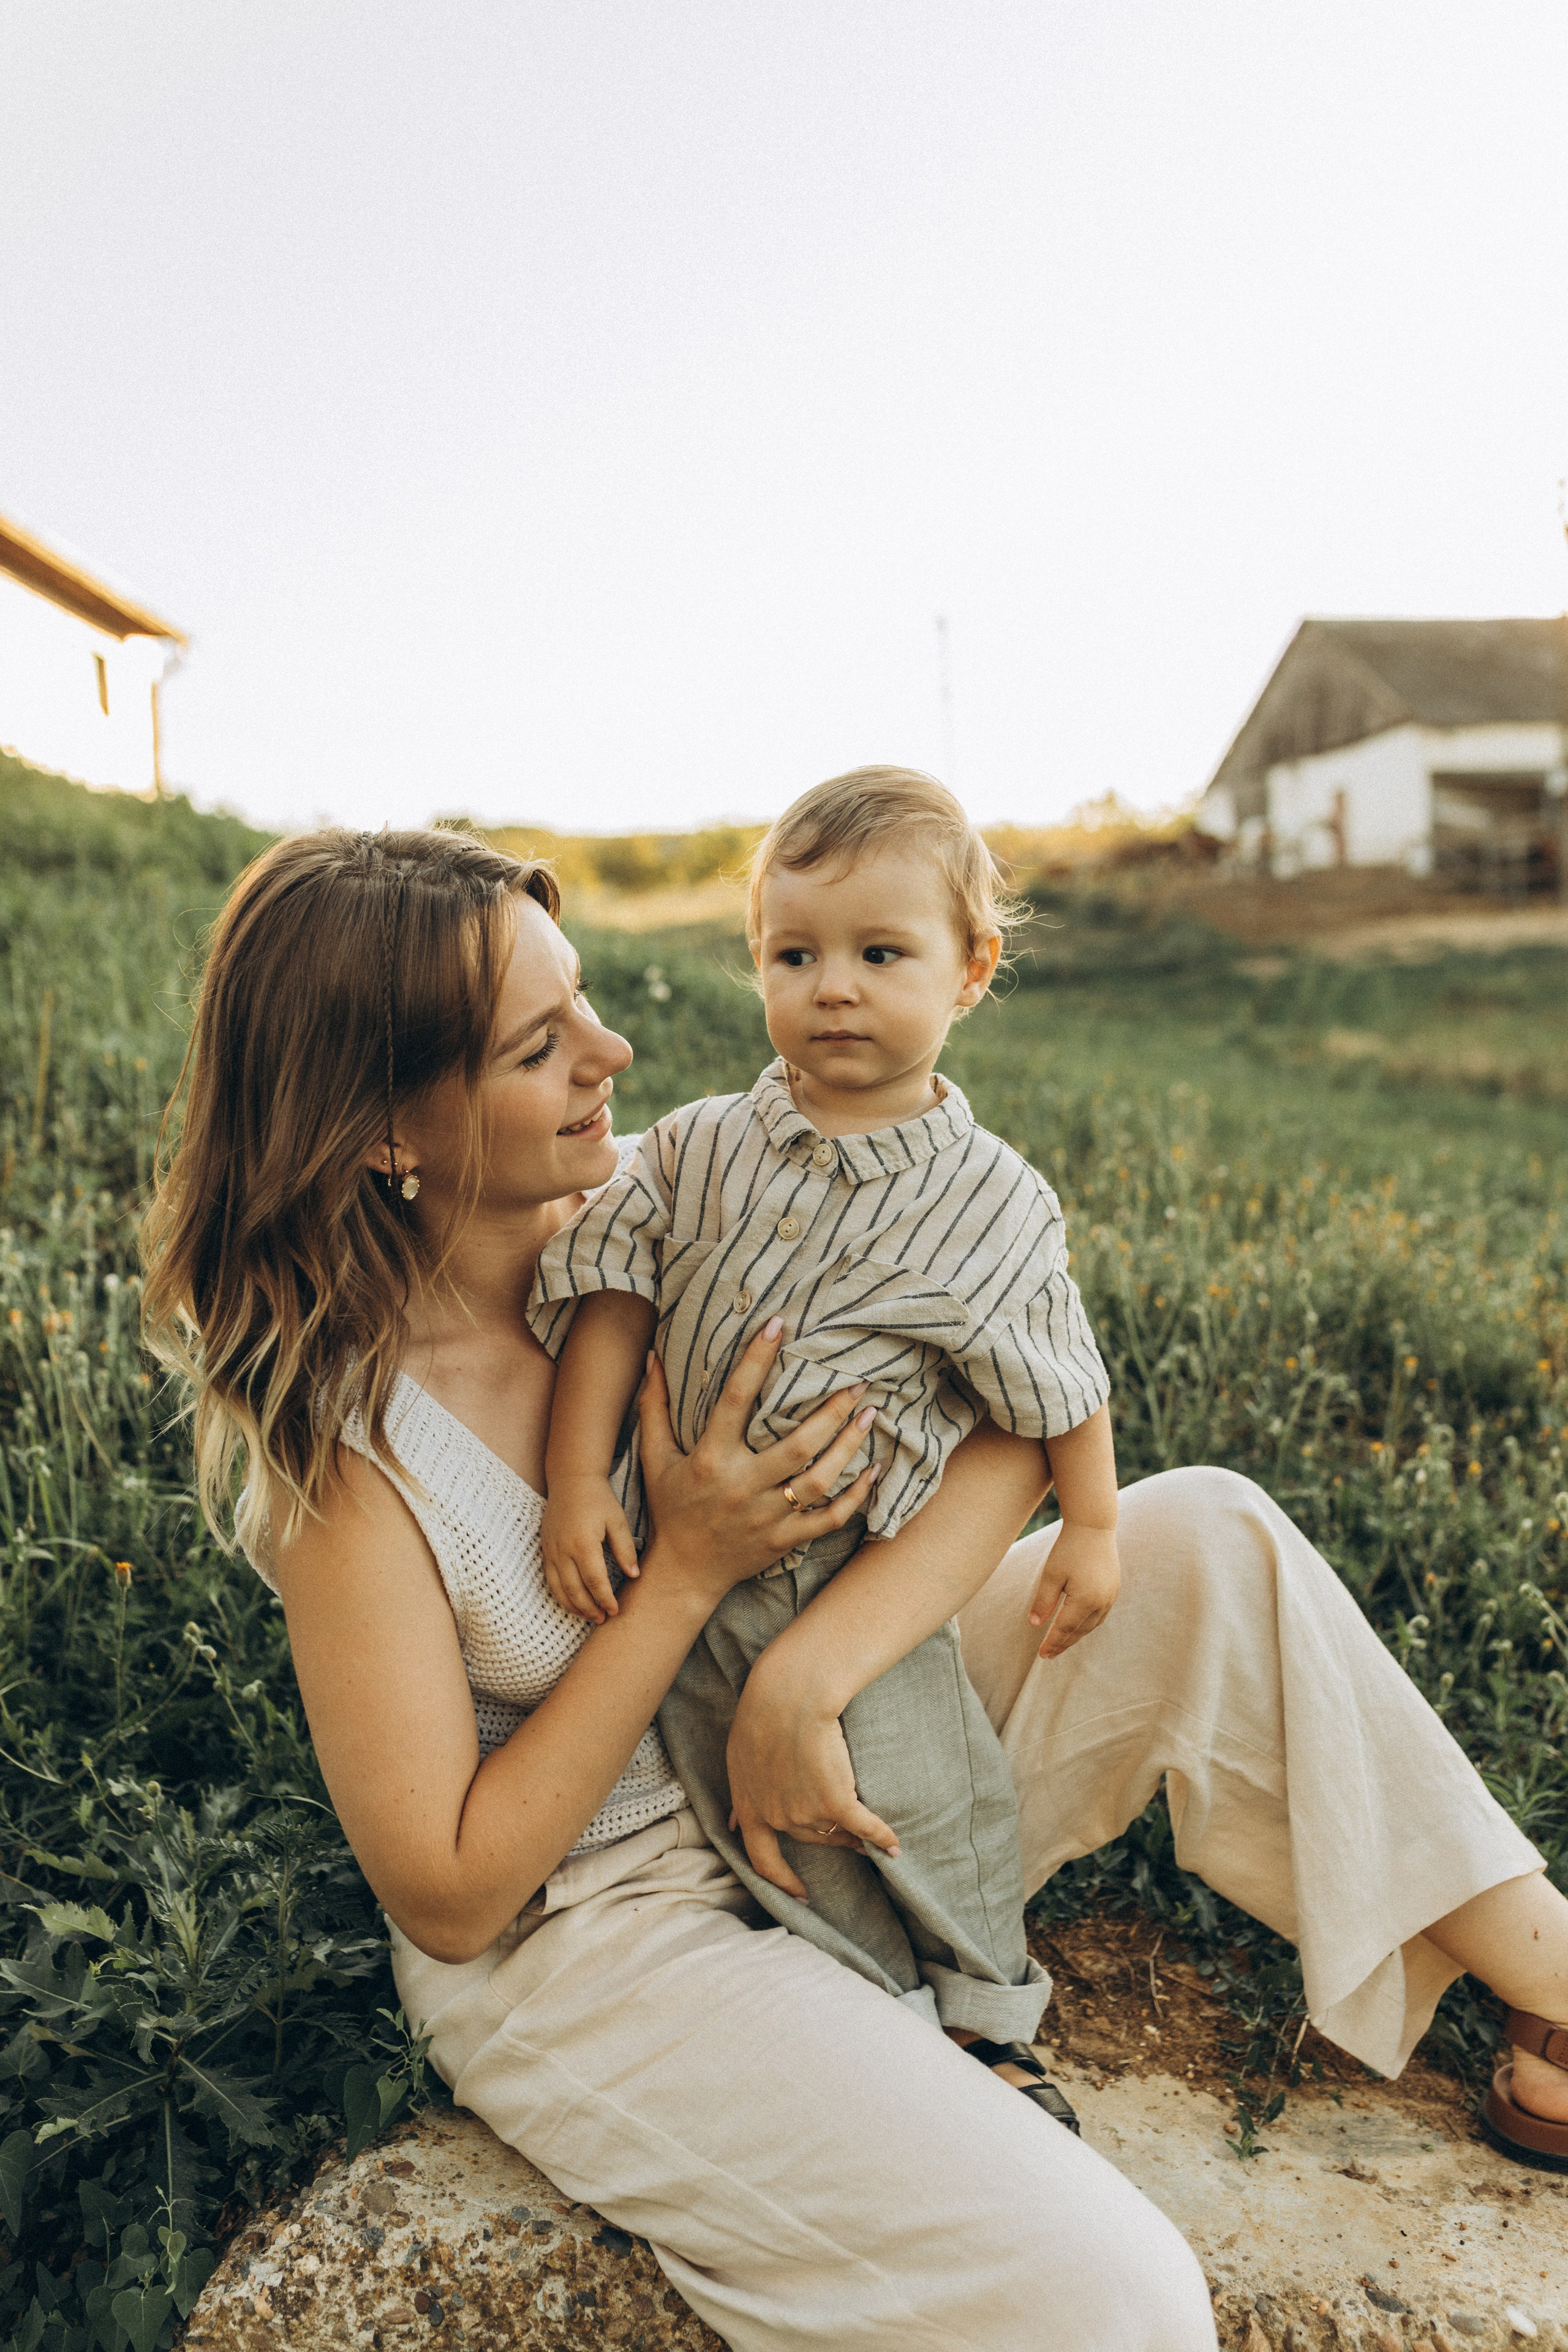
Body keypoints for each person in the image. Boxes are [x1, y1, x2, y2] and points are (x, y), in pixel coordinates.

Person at [141, 824, 1568, 2352]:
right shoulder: (352, 1448)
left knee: (1206, 1533)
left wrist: (805, 1675)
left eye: (588, 1003)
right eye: (540, 1046)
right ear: (382, 1130)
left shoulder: (680, 1200)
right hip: (607, 1928)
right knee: (1111, 2297)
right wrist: (685, 1576)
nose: (614, 1053)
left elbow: (1014, 1434)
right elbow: (447, 1888)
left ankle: (1545, 1974)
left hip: (838, 1759)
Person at [530, 769, 1119, 2073]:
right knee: (761, 1819)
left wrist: (1091, 1523)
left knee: (915, 1788)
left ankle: (989, 2003)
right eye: (793, 954)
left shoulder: (991, 1201)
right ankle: (877, 2017)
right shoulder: (694, 1147)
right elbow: (610, 1306)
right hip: (669, 1568)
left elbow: (1055, 1375)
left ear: (970, 972)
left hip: (849, 1568)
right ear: (754, 966)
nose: (831, 986)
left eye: (878, 952)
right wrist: (578, 1484)